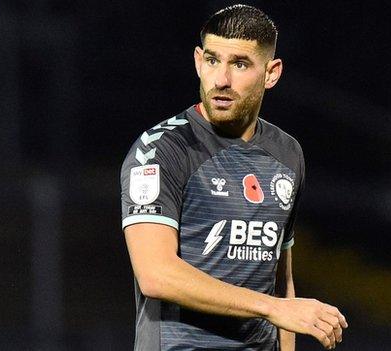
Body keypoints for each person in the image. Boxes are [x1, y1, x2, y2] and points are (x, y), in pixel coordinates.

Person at [120, 4, 348, 351]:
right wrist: (274, 309)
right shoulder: (161, 150)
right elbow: (156, 274)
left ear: (271, 73)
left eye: (240, 64)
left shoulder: (287, 153)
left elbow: (280, 278)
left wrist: (282, 319)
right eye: (212, 60)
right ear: (199, 61)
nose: (221, 79)